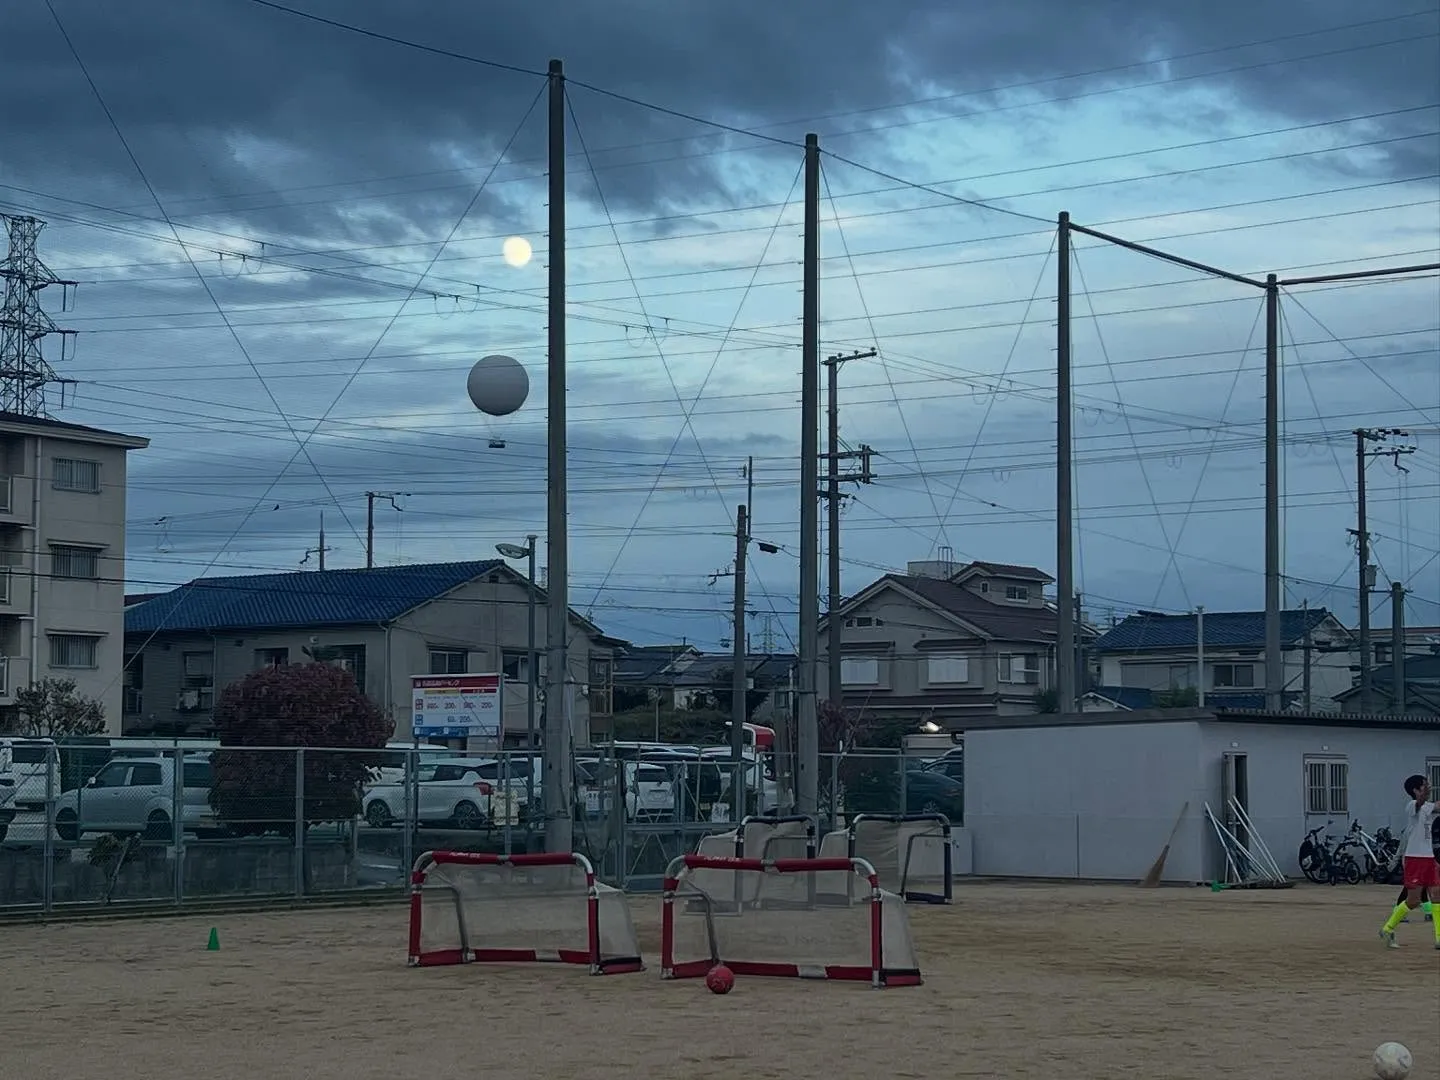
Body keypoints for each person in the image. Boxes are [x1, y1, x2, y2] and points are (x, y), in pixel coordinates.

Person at [1379, 774, 1440, 949]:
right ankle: (1388, 928)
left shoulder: (1429, 807)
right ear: (1416, 790)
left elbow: (1436, 805)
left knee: (1437, 895)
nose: (1429, 787)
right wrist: (1423, 796)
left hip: (1429, 858)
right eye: (1425, 785)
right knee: (1414, 901)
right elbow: (1420, 803)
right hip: (1414, 859)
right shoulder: (1412, 806)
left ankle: (1439, 938)